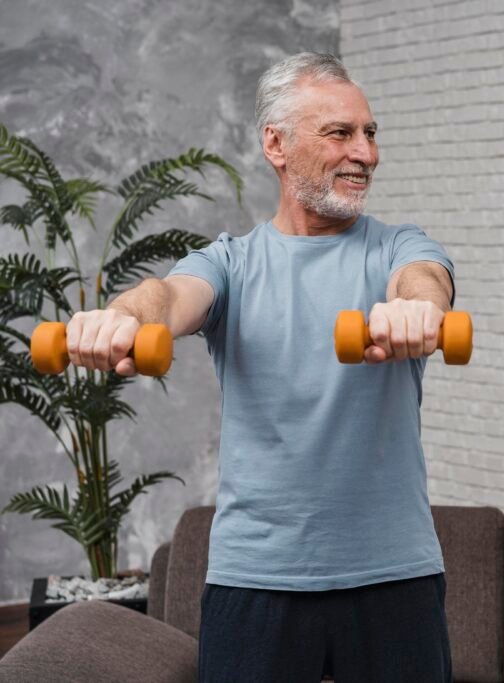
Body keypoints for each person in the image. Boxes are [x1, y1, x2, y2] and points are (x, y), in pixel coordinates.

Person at [64, 53, 454, 682]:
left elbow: (426, 283)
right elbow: (166, 298)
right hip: (258, 578)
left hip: (394, 573)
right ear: (276, 143)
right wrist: (122, 319)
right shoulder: (232, 263)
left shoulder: (397, 249)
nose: (367, 153)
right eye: (340, 134)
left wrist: (415, 310)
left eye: (370, 133)